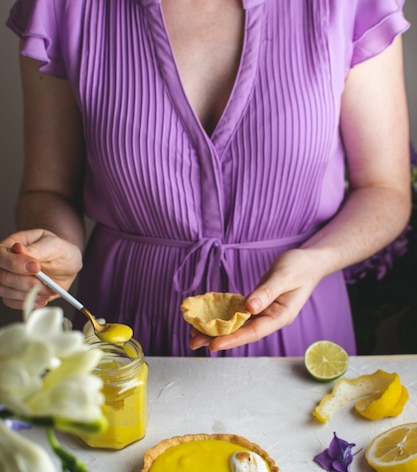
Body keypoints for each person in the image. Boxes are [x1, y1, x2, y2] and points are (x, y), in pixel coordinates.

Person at [0, 0, 411, 357]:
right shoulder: (63, 5)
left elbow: (384, 189)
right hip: (121, 331)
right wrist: (56, 250)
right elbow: (47, 188)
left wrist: (319, 259)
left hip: (298, 327)